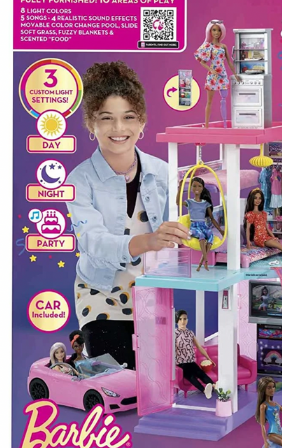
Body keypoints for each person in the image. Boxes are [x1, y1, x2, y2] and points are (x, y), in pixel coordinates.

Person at [66, 62, 190, 368]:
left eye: (128, 117)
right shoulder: (79, 180)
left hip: (152, 295)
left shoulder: (164, 173)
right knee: (120, 377)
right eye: (106, 118)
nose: (119, 128)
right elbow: (93, 242)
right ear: (91, 124)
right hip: (100, 295)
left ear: (142, 122)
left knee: (162, 375)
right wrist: (149, 241)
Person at [194, 20, 240, 128]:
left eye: (219, 30)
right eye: (214, 30)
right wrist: (211, 69)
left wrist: (235, 74)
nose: (216, 32)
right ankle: (206, 125)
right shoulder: (208, 46)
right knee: (209, 102)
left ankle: (225, 124)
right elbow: (202, 61)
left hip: (222, 75)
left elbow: (229, 62)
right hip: (212, 76)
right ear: (210, 31)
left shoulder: (223, 46)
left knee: (224, 100)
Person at [174, 310, 217, 399]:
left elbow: (199, 347)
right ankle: (204, 390)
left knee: (201, 373)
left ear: (187, 320)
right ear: (177, 321)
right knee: (191, 376)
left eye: (185, 319)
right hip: (181, 363)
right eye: (180, 319)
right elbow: (172, 349)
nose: (183, 321)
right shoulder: (175, 333)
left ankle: (214, 386)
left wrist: (209, 359)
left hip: (191, 361)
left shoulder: (190, 333)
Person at [186, 176, 223, 272]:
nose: (197, 188)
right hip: (194, 226)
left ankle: (200, 264)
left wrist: (220, 230)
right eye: (194, 186)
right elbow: (178, 202)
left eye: (199, 186)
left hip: (203, 225)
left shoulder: (205, 204)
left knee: (210, 235)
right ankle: (206, 261)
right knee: (201, 235)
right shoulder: (190, 202)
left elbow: (212, 219)